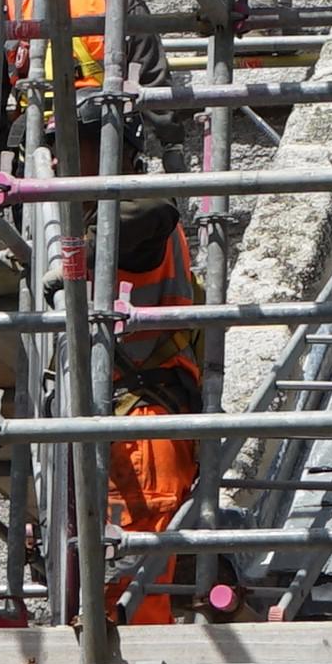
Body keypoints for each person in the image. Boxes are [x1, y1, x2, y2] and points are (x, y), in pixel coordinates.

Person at [105, 201, 205, 625]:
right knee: (117, 569)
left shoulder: (131, 211)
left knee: (125, 576)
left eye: (70, 146)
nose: (57, 162)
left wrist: (76, 253)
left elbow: (149, 213)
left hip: (140, 428)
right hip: (134, 424)